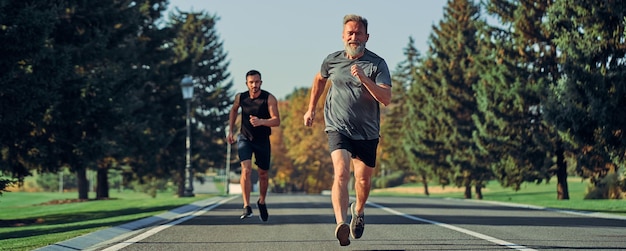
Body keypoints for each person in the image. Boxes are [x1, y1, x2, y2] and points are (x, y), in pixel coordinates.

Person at [303, 14, 391, 246]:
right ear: (343, 36)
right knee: (341, 173)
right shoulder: (331, 60)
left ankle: (358, 211)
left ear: (367, 37)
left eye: (358, 33)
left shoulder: (377, 64)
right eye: (350, 33)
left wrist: (364, 79)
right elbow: (319, 80)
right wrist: (311, 108)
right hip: (337, 126)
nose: (354, 37)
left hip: (367, 131)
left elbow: (386, 98)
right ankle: (341, 223)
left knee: (362, 181)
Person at [228, 69, 280, 222]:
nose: (254, 85)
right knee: (246, 170)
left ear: (261, 82)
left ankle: (262, 201)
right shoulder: (240, 97)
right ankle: (246, 205)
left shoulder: (269, 98)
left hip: (262, 140)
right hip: (245, 138)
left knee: (263, 174)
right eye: (251, 82)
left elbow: (276, 120)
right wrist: (230, 130)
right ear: (246, 83)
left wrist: (261, 121)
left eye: (257, 82)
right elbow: (233, 110)